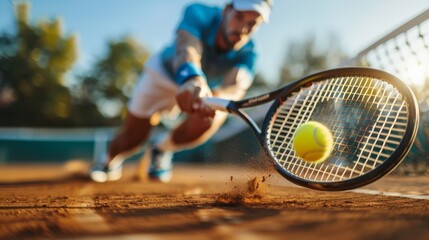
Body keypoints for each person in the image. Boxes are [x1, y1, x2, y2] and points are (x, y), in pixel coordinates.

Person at [90, 0, 272, 183]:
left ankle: (161, 149)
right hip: (162, 75)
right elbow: (187, 47)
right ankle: (107, 161)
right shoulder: (199, 12)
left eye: (252, 23)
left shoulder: (251, 54)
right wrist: (192, 78)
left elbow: (234, 86)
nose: (242, 28)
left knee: (211, 118)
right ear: (226, 10)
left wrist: (217, 98)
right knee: (133, 138)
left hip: (202, 91)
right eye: (239, 16)